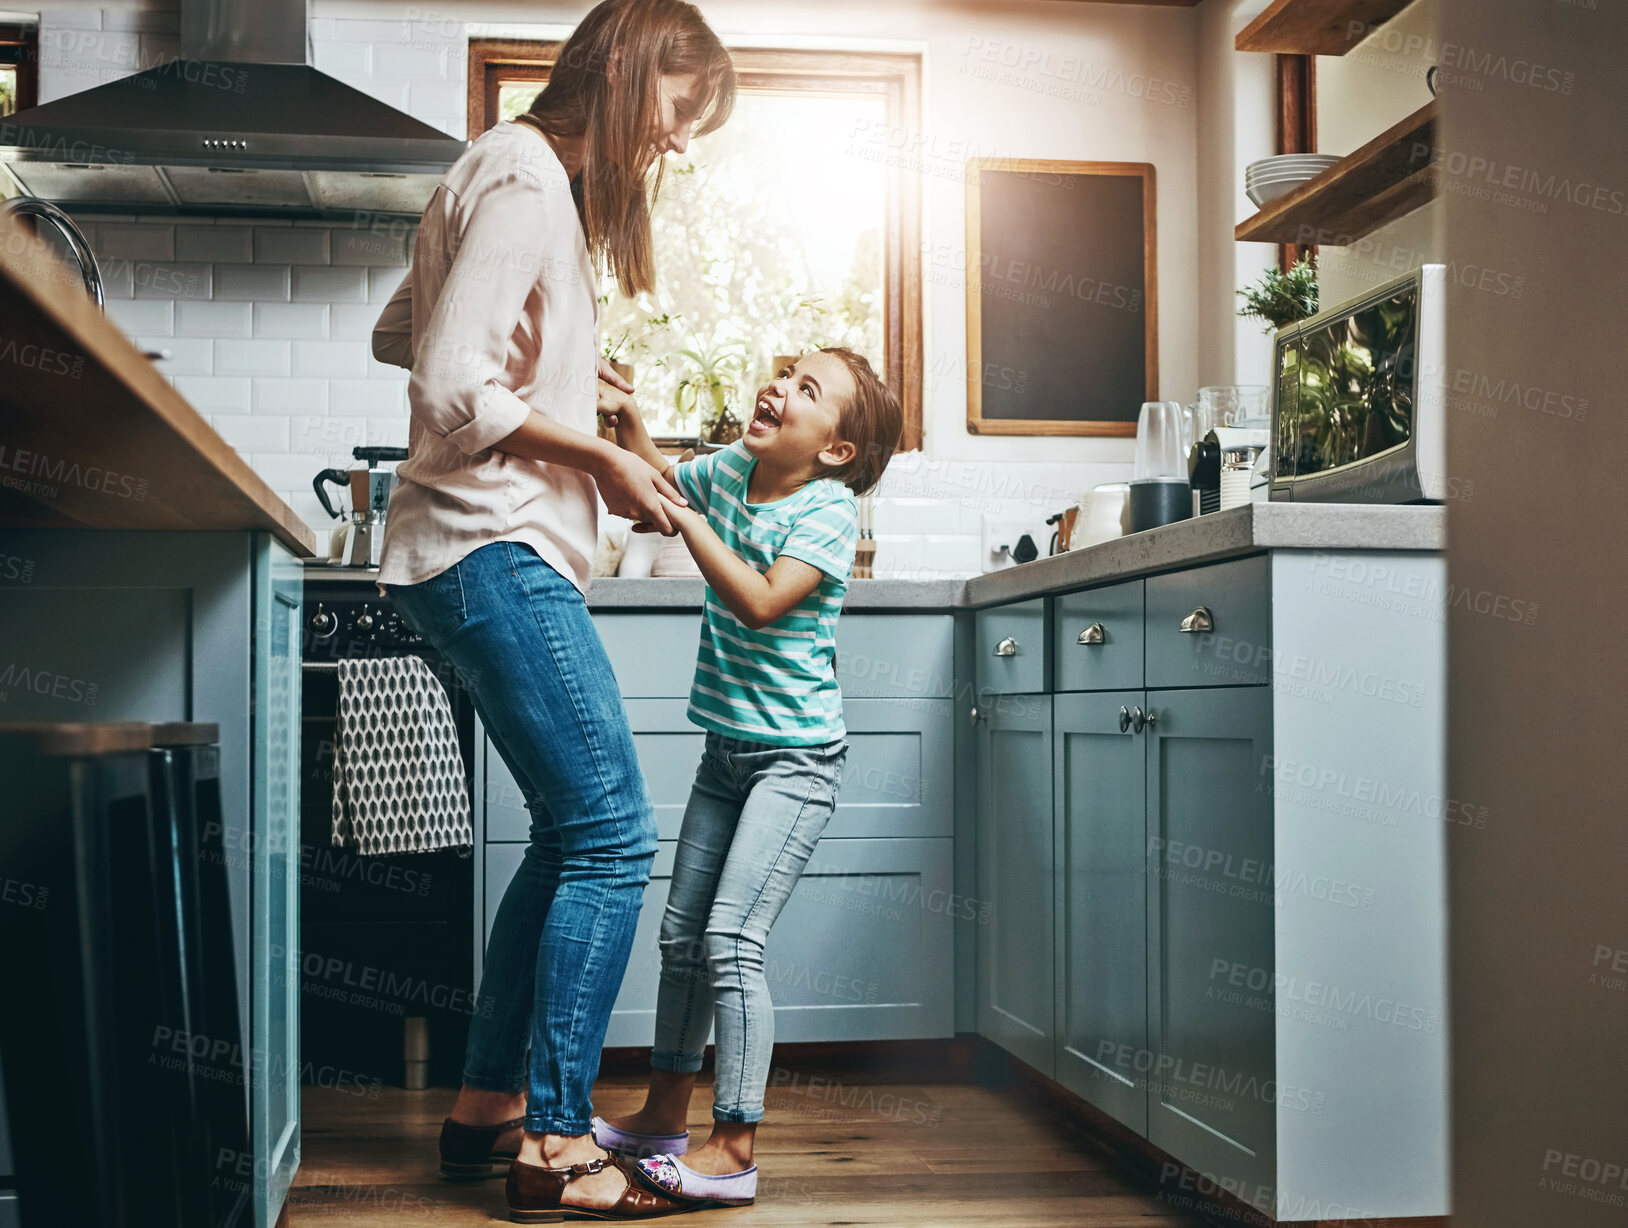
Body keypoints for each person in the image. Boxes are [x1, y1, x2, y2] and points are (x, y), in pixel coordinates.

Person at [369, 1, 737, 1220]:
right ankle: (557, 1140)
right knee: (614, 836)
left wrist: (564, 370)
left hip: (465, 553)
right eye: (683, 113)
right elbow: (443, 380)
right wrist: (595, 452)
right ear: (633, 74)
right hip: (492, 547)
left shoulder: (504, 172)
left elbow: (399, 330)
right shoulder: (530, 177)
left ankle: (484, 1109)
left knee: (563, 836)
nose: (678, 144)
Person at [590, 348, 903, 1210]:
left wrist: (692, 526)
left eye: (808, 391)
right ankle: (662, 1117)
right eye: (786, 374)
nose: (779, 388)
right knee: (682, 938)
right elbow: (663, 484)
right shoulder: (736, 467)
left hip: (796, 761)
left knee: (731, 939)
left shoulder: (829, 510)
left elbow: (763, 599)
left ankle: (735, 1146)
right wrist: (629, 423)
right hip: (727, 752)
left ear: (836, 449)